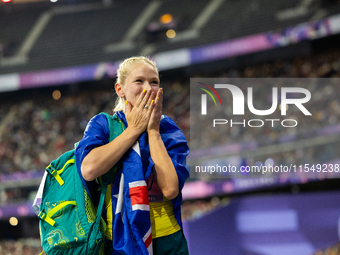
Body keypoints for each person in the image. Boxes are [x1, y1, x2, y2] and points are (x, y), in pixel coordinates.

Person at [75, 56, 190, 254]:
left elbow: (170, 189)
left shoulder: (167, 128)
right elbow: (89, 169)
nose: (148, 88)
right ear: (120, 89)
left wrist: (153, 132)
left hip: (167, 241)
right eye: (139, 81)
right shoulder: (103, 124)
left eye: (154, 82)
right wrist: (134, 130)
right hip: (120, 243)